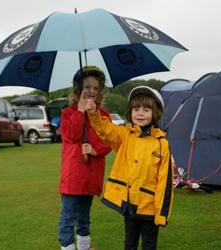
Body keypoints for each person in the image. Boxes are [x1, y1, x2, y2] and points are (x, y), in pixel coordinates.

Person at [86, 86, 174, 250]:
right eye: (136, 109)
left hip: (149, 205)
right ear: (130, 112)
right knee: (130, 243)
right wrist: (94, 114)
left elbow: (165, 181)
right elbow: (106, 131)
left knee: (149, 245)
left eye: (146, 110)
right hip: (129, 203)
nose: (140, 113)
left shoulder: (162, 144)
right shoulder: (124, 135)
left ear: (155, 113)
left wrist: (162, 213)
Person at [58, 66, 112, 250]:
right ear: (78, 89)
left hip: (92, 173)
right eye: (87, 87)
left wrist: (95, 151)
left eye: (96, 88)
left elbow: (109, 139)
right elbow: (70, 135)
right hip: (73, 175)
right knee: (68, 216)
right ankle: (67, 247)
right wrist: (80, 110)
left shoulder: (104, 115)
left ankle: (83, 246)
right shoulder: (68, 113)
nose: (92, 91)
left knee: (84, 215)